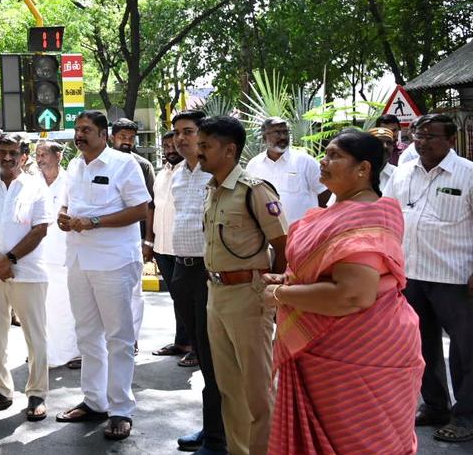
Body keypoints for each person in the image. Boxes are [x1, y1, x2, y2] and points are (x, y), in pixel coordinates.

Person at [263, 130, 424, 454]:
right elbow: (330, 274)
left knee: (356, 442)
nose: (324, 161)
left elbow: (352, 295)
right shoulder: (335, 213)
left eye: (335, 155)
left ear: (363, 169)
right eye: (325, 154)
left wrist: (281, 294)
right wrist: (291, 280)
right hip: (330, 347)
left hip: (359, 351)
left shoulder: (367, 216)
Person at [55, 111, 151, 441]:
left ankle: (121, 409)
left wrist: (94, 222)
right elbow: (67, 206)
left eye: (86, 130)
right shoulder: (74, 166)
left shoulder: (124, 165)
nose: (79, 135)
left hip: (114, 262)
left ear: (103, 134)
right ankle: (94, 401)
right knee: (86, 335)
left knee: (119, 337)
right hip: (79, 259)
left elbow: (140, 209)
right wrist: (64, 217)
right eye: (77, 130)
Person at [198, 116, 288, 455]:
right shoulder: (213, 190)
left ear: (230, 149)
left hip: (248, 297)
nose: (200, 151)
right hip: (216, 295)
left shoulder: (254, 189)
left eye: (206, 146)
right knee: (230, 389)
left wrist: (269, 292)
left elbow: (283, 246)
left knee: (258, 391)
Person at [387, 113, 473, 442]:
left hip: (455, 276)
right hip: (411, 275)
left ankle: (467, 414)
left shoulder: (467, 174)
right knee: (422, 346)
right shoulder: (402, 173)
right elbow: (392, 218)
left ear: (451, 140)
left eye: (430, 136)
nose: (421, 141)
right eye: (417, 135)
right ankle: (435, 405)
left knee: (466, 350)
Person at [0, 133, 55, 420]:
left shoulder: (36, 186)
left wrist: (10, 260)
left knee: (35, 335)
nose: (7, 157)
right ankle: (2, 391)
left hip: (29, 273)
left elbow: (40, 229)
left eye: (13, 152)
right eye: (2, 151)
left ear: (24, 156)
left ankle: (37, 394)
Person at [168, 111, 227, 455]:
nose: (181, 139)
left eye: (188, 132)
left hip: (210, 273)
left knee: (214, 357)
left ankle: (220, 438)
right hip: (181, 271)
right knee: (203, 358)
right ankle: (211, 428)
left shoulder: (218, 174)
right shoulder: (177, 173)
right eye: (177, 133)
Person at [111, 118, 154, 351]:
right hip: (105, 239)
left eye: (130, 137)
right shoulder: (100, 162)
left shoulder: (142, 165)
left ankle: (132, 339)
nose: (127, 141)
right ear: (111, 136)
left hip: (134, 238)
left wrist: (148, 240)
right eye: (122, 137)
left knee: (134, 292)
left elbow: (149, 206)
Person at [35, 139, 78, 369]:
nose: (40, 158)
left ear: (58, 155)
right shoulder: (32, 182)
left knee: (69, 306)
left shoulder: (70, 180)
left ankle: (74, 352)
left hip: (66, 254)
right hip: (39, 256)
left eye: (44, 153)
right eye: (37, 154)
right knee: (44, 308)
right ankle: (47, 351)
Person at [149, 130, 191, 362]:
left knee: (189, 299)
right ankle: (181, 342)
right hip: (162, 245)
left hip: (183, 247)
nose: (170, 149)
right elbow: (154, 207)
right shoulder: (162, 173)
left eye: (173, 144)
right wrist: (150, 241)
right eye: (165, 146)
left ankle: (196, 347)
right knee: (177, 298)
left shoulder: (191, 172)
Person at [245, 117, 327, 225]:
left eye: (285, 132)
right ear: (264, 137)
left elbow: (325, 193)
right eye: (277, 133)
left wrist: (316, 223)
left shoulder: (305, 161)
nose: (283, 137)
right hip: (267, 236)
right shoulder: (254, 165)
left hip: (303, 234)